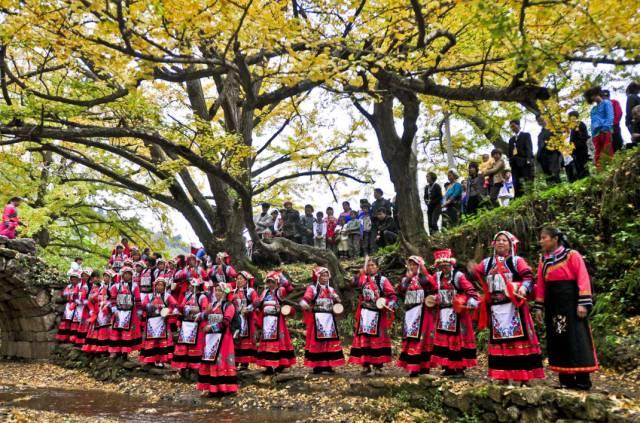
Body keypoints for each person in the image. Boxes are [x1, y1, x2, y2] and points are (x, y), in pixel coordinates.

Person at [472, 231, 544, 384]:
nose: (501, 242)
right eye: (498, 240)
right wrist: (472, 269)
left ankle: (524, 377)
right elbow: (474, 275)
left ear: (510, 244)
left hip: (514, 307)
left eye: (504, 240)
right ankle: (502, 375)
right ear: (493, 244)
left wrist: (523, 288)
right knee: (500, 342)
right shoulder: (486, 263)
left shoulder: (516, 261)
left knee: (519, 341)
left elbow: (528, 277)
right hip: (496, 310)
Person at [534, 227, 598, 390]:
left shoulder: (572, 255)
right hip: (553, 305)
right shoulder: (543, 260)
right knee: (558, 339)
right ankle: (566, 379)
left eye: (544, 237)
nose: (541, 241)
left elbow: (583, 278)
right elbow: (541, 285)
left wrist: (583, 303)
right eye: (540, 238)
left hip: (571, 303)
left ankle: (583, 380)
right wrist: (539, 307)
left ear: (555, 239)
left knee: (577, 338)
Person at [430, 249, 479, 377]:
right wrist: (435, 298)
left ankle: (459, 368)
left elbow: (470, 291)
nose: (444, 268)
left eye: (446, 265)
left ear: (451, 264)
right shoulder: (437, 277)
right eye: (441, 266)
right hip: (443, 314)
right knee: (444, 340)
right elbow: (435, 291)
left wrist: (468, 301)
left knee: (457, 340)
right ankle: (448, 367)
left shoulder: (458, 276)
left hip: (457, 314)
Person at [349, 259, 397, 374]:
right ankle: (365, 365)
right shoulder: (363, 279)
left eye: (373, 265)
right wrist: (359, 274)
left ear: (377, 267)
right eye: (368, 265)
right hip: (365, 313)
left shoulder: (382, 280)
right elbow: (352, 284)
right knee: (364, 338)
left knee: (377, 339)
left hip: (378, 314)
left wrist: (385, 303)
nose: (370, 267)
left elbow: (393, 296)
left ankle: (378, 365)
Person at [299, 267, 345, 373]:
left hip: (329, 319)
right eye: (322, 275)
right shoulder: (312, 288)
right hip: (317, 318)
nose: (325, 277)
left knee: (329, 342)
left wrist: (337, 300)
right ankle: (317, 366)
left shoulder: (331, 289)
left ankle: (328, 365)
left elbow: (338, 301)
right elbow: (305, 299)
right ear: (318, 277)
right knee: (318, 342)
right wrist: (305, 304)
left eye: (326, 275)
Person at [397, 256, 437, 377]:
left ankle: (424, 367)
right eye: (411, 265)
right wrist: (407, 279)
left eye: (415, 264)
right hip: (410, 313)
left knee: (422, 339)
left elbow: (435, 290)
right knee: (410, 339)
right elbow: (400, 291)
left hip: (423, 313)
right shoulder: (405, 279)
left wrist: (432, 299)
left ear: (420, 265)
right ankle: (412, 366)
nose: (413, 267)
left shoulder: (427, 278)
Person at [197, 282, 239, 396]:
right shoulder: (213, 304)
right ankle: (211, 388)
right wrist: (205, 313)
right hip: (211, 338)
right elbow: (205, 316)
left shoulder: (229, 306)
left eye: (220, 290)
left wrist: (211, 327)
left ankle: (224, 388)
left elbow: (226, 322)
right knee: (210, 360)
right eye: (216, 290)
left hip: (224, 338)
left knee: (220, 361)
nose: (217, 293)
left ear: (225, 292)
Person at [255, 272, 296, 374]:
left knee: (280, 341)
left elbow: (290, 289)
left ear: (277, 282)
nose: (270, 284)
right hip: (266, 321)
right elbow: (258, 303)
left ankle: (282, 364)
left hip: (278, 321)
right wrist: (251, 307)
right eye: (268, 282)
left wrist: (282, 277)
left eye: (272, 282)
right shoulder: (265, 292)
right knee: (267, 342)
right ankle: (268, 365)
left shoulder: (279, 291)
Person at [172, 278, 209, 371]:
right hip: (186, 324)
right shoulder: (188, 296)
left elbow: (205, 310)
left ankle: (195, 366)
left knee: (195, 346)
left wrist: (192, 310)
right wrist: (179, 309)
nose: (189, 287)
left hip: (196, 325)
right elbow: (182, 306)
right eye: (190, 285)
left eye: (192, 286)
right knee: (184, 344)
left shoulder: (202, 297)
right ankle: (184, 365)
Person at [140, 278, 178, 367]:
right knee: (151, 342)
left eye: (161, 285)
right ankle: (150, 360)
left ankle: (160, 360)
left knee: (161, 342)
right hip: (151, 322)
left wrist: (167, 311)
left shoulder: (167, 296)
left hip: (162, 322)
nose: (159, 287)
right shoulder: (149, 296)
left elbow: (175, 306)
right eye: (158, 285)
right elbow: (143, 305)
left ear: (164, 287)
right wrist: (148, 306)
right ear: (155, 286)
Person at [108, 266, 142, 357]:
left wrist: (139, 311)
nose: (127, 276)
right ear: (122, 275)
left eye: (129, 274)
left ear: (132, 276)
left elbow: (138, 299)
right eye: (125, 274)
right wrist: (114, 308)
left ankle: (125, 352)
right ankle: (116, 351)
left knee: (127, 332)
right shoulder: (116, 286)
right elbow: (113, 298)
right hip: (118, 312)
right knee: (117, 331)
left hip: (129, 312)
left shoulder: (134, 286)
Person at [232, 271, 259, 370]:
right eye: (237, 278)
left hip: (246, 319)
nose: (238, 280)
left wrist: (248, 309)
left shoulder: (250, 291)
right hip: (236, 319)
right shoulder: (233, 292)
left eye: (241, 279)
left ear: (246, 280)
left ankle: (244, 363)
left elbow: (257, 302)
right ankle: (235, 362)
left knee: (245, 341)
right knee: (235, 340)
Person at [82, 271, 114, 354]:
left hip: (105, 311)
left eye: (108, 277)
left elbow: (112, 299)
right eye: (105, 276)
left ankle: (104, 348)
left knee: (104, 328)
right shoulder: (96, 288)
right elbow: (91, 299)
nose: (95, 279)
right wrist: (92, 307)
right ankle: (95, 347)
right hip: (96, 310)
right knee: (95, 328)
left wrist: (106, 305)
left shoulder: (109, 288)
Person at [584, 86, 614, 170]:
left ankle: (609, 170)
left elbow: (610, 116)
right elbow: (593, 122)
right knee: (597, 153)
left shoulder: (606, 103)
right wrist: (593, 135)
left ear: (597, 93)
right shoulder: (593, 109)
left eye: (594, 95)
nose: (593, 97)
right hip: (595, 134)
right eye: (591, 96)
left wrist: (605, 128)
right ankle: (600, 172)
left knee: (607, 151)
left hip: (605, 131)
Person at [507, 119, 534, 198]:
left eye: (514, 126)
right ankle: (519, 199)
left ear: (519, 126)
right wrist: (511, 162)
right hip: (515, 164)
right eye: (511, 127)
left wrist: (529, 160)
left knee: (528, 180)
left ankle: (531, 197)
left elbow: (529, 148)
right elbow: (510, 152)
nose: (512, 128)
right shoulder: (511, 140)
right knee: (516, 183)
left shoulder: (526, 135)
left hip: (524, 161)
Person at [536, 115, 562, 184]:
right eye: (538, 121)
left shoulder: (553, 129)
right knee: (548, 176)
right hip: (543, 157)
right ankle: (551, 192)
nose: (540, 122)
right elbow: (539, 146)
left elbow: (559, 140)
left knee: (554, 173)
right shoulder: (539, 135)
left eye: (541, 119)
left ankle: (560, 189)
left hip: (552, 154)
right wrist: (539, 156)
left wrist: (555, 151)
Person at [56, 271, 81, 343]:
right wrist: (71, 292)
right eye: (72, 279)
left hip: (76, 305)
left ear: (78, 279)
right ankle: (64, 337)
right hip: (69, 305)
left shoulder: (79, 286)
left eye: (75, 279)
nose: (73, 280)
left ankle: (73, 337)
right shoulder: (69, 286)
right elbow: (64, 293)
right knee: (66, 320)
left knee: (74, 320)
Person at [567, 111, 591, 181]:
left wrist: (575, 146)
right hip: (575, 151)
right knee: (579, 168)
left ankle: (587, 181)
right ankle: (583, 181)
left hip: (581, 150)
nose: (569, 119)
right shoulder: (572, 127)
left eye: (570, 117)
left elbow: (584, 137)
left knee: (583, 167)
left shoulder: (580, 124)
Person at [71, 269, 92, 346]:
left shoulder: (90, 286)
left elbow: (91, 296)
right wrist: (76, 300)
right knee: (76, 322)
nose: (84, 277)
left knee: (84, 323)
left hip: (86, 307)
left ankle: (83, 340)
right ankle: (75, 339)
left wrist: (86, 302)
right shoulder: (79, 285)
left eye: (86, 275)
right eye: (83, 275)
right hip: (78, 307)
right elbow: (75, 294)